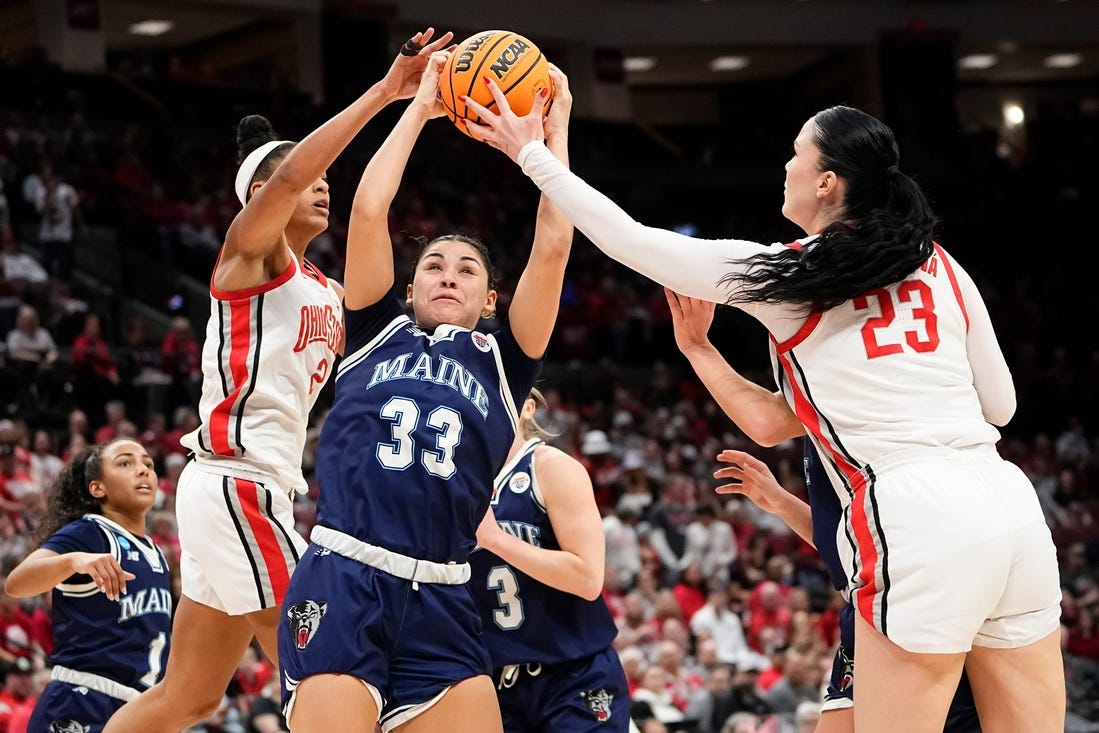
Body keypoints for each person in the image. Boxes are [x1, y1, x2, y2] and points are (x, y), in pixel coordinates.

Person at [466, 95, 1064, 731]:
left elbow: (631, 241)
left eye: (796, 155)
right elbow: (1001, 405)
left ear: (827, 182)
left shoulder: (792, 274)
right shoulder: (942, 264)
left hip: (915, 513)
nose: (785, 166)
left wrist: (529, 151)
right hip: (1009, 507)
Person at [101, 27, 455, 733]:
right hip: (236, 482)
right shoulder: (249, 258)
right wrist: (388, 92)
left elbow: (369, 218)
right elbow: (293, 175)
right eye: (306, 174)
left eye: (326, 175)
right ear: (259, 192)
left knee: (190, 697)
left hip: (253, 491)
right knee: (322, 663)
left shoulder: (325, 289)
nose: (322, 182)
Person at [274, 55, 574, 733]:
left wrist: (554, 128)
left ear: (489, 298)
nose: (447, 274)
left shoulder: (506, 363)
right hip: (346, 575)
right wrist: (421, 106)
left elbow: (552, 245)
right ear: (407, 290)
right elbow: (370, 207)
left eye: (466, 268)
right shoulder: (375, 331)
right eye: (432, 264)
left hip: (442, 590)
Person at [666, 290, 984, 733]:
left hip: (917, 602)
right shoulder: (823, 427)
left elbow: (766, 422)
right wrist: (779, 502)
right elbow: (849, 541)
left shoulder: (856, 394)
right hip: (870, 604)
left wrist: (698, 347)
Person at [469, 388, 630, 732]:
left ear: (527, 409)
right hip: (494, 684)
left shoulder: (552, 468)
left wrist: (496, 540)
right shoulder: (457, 482)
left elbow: (587, 578)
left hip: (572, 675)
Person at [4, 439, 171, 733]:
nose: (143, 470)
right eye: (125, 463)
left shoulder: (157, 553)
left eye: (148, 464)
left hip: (139, 710)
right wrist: (73, 562)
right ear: (98, 488)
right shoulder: (90, 532)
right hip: (81, 701)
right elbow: (18, 582)